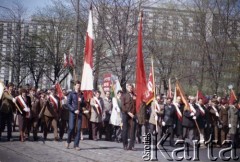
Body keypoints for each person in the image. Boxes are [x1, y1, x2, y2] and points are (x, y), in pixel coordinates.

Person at [65, 81, 84, 151]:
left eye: (79, 85)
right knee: (71, 128)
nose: (78, 87)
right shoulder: (71, 94)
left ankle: (76, 145)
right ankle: (68, 140)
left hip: (79, 113)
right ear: (75, 86)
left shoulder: (81, 94)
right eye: (77, 85)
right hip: (72, 113)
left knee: (78, 129)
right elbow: (68, 104)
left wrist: (81, 101)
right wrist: (73, 110)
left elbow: (84, 104)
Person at [121, 84, 137, 150]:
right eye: (129, 87)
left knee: (133, 130)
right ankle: (125, 145)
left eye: (131, 88)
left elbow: (137, 105)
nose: (130, 89)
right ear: (127, 88)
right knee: (125, 129)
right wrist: (128, 112)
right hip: (126, 114)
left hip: (133, 115)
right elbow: (122, 106)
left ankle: (131, 145)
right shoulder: (124, 95)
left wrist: (134, 114)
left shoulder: (135, 96)